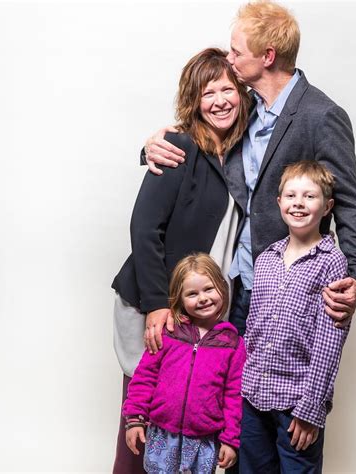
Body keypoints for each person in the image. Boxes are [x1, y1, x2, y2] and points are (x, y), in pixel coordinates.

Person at [142, 0, 356, 354]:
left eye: (236, 52)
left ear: (267, 56)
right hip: (232, 284)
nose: (229, 58)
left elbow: (348, 201)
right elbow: (200, 138)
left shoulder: (321, 115)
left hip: (287, 288)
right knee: (224, 385)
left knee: (282, 382)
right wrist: (151, 147)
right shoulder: (243, 108)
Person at [111, 48, 251, 473]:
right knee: (143, 416)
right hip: (153, 300)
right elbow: (143, 228)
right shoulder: (179, 147)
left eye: (227, 89)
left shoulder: (241, 153)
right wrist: (158, 305)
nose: (220, 101)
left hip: (199, 304)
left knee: (185, 417)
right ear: (194, 101)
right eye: (208, 93)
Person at [240, 160, 349, 473]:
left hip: (297, 401)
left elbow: (329, 343)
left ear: (327, 207)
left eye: (309, 196)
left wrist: (311, 408)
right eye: (291, 195)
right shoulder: (266, 259)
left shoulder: (332, 262)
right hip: (253, 395)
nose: (298, 203)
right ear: (279, 202)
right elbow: (253, 328)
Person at [123, 253, 246, 473]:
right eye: (192, 293)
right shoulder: (168, 333)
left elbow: (233, 395)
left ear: (222, 287)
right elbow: (145, 377)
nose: (203, 298)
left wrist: (230, 439)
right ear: (179, 298)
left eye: (209, 289)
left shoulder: (233, 344)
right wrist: (135, 418)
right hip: (162, 434)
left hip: (203, 440)